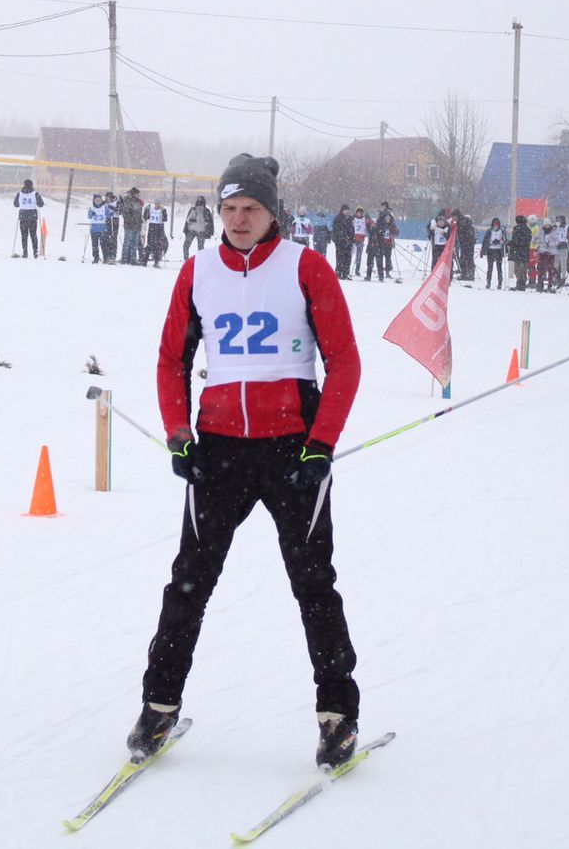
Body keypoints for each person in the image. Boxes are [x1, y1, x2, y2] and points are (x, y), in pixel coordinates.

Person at [131, 153, 363, 771]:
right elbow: (169, 362)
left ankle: (337, 714)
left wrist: (321, 444)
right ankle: (158, 706)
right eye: (230, 209)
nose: (238, 220)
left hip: (293, 450)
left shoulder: (306, 268)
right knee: (189, 582)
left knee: (314, 584)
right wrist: (179, 435)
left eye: (250, 209)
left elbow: (344, 362)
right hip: (219, 450)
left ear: (271, 212)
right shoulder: (197, 271)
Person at [14, 178, 44, 257]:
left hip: (23, 216)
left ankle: (25, 251)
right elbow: (41, 204)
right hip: (32, 217)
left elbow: (16, 204)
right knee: (33, 235)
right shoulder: (35, 194)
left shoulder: (19, 194)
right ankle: (35, 251)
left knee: (24, 235)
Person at [182, 196, 214, 261]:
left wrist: (209, 231)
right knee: (186, 245)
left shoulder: (206, 211)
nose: (200, 207)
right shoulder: (192, 210)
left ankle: (200, 261)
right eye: (199, 205)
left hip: (201, 231)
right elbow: (187, 220)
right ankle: (186, 260)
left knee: (201, 248)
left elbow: (210, 222)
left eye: (201, 205)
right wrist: (188, 226)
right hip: (192, 230)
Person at [120, 187, 145, 265]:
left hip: (137, 226)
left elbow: (138, 214)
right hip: (130, 226)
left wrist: (139, 222)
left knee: (135, 243)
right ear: (134, 194)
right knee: (127, 243)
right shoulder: (128, 201)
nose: (139, 195)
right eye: (137, 194)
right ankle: (124, 259)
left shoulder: (137, 202)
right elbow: (126, 214)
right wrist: (132, 221)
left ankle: (132, 259)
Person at [507, 214, 531, 290]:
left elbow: (518, 241)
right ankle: (521, 283)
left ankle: (520, 283)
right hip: (523, 252)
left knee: (518, 269)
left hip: (519, 252)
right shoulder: (526, 229)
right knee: (522, 269)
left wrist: (512, 243)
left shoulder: (519, 229)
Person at [331, 204, 354, 280]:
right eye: (345, 210)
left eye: (348, 210)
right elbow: (336, 230)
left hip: (349, 242)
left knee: (348, 258)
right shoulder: (338, 218)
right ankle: (338, 273)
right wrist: (338, 239)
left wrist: (352, 238)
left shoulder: (350, 219)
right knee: (340, 258)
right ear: (342, 210)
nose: (347, 211)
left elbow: (351, 229)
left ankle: (346, 273)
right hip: (340, 242)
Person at [483, 217, 506, 289]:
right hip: (491, 250)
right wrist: (490, 242)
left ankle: (500, 283)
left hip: (498, 250)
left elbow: (505, 239)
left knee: (499, 268)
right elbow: (486, 239)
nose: (495, 226)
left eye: (497, 224)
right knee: (490, 268)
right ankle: (488, 283)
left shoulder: (502, 231)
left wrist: (499, 242)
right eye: (494, 224)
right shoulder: (489, 231)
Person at [378, 203, 399, 280]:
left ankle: (387, 272)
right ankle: (380, 272)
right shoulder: (381, 223)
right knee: (380, 258)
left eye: (389, 217)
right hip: (381, 243)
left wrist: (395, 229)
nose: (388, 219)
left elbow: (396, 232)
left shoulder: (391, 224)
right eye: (387, 217)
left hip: (389, 244)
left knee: (388, 258)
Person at [86, 194, 109, 264]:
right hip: (94, 229)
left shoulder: (104, 207)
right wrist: (91, 213)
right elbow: (89, 216)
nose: (98, 202)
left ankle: (105, 258)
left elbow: (109, 215)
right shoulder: (92, 208)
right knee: (95, 245)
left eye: (99, 200)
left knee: (104, 244)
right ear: (94, 201)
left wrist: (108, 209)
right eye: (96, 200)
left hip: (103, 229)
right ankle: (96, 258)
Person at [146, 199, 169, 267]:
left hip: (159, 228)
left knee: (159, 245)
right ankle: (144, 260)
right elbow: (146, 217)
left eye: (159, 204)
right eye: (156, 204)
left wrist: (164, 211)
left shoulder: (162, 210)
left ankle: (157, 261)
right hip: (152, 228)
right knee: (150, 245)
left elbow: (165, 219)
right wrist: (146, 210)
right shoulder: (151, 209)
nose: (157, 205)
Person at [351, 207, 369, 278]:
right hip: (354, 240)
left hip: (361, 240)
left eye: (361, 212)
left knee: (359, 257)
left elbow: (370, 225)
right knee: (351, 255)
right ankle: (348, 268)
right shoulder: (353, 219)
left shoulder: (364, 219)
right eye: (358, 212)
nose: (359, 213)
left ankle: (357, 270)